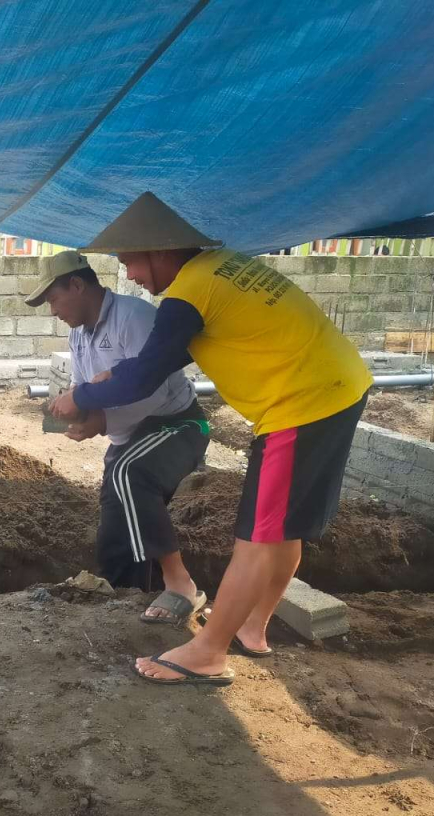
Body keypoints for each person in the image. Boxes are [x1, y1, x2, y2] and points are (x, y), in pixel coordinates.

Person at [52, 192, 372, 686]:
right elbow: (169, 356)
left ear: (160, 250)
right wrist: (102, 387)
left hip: (301, 403)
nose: (132, 276)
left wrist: (81, 397)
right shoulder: (221, 268)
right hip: (337, 387)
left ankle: (207, 651)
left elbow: (143, 377)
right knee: (284, 528)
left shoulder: (188, 291)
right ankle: (252, 627)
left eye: (130, 262)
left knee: (258, 535)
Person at [27, 251, 210, 625]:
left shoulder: (134, 317)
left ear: (77, 285)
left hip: (176, 425)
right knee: (115, 526)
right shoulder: (78, 334)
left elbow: (154, 390)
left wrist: (101, 419)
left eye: (53, 299)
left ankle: (182, 586)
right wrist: (81, 417)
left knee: (129, 473)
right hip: (130, 436)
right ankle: (124, 599)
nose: (52, 311)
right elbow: (86, 387)